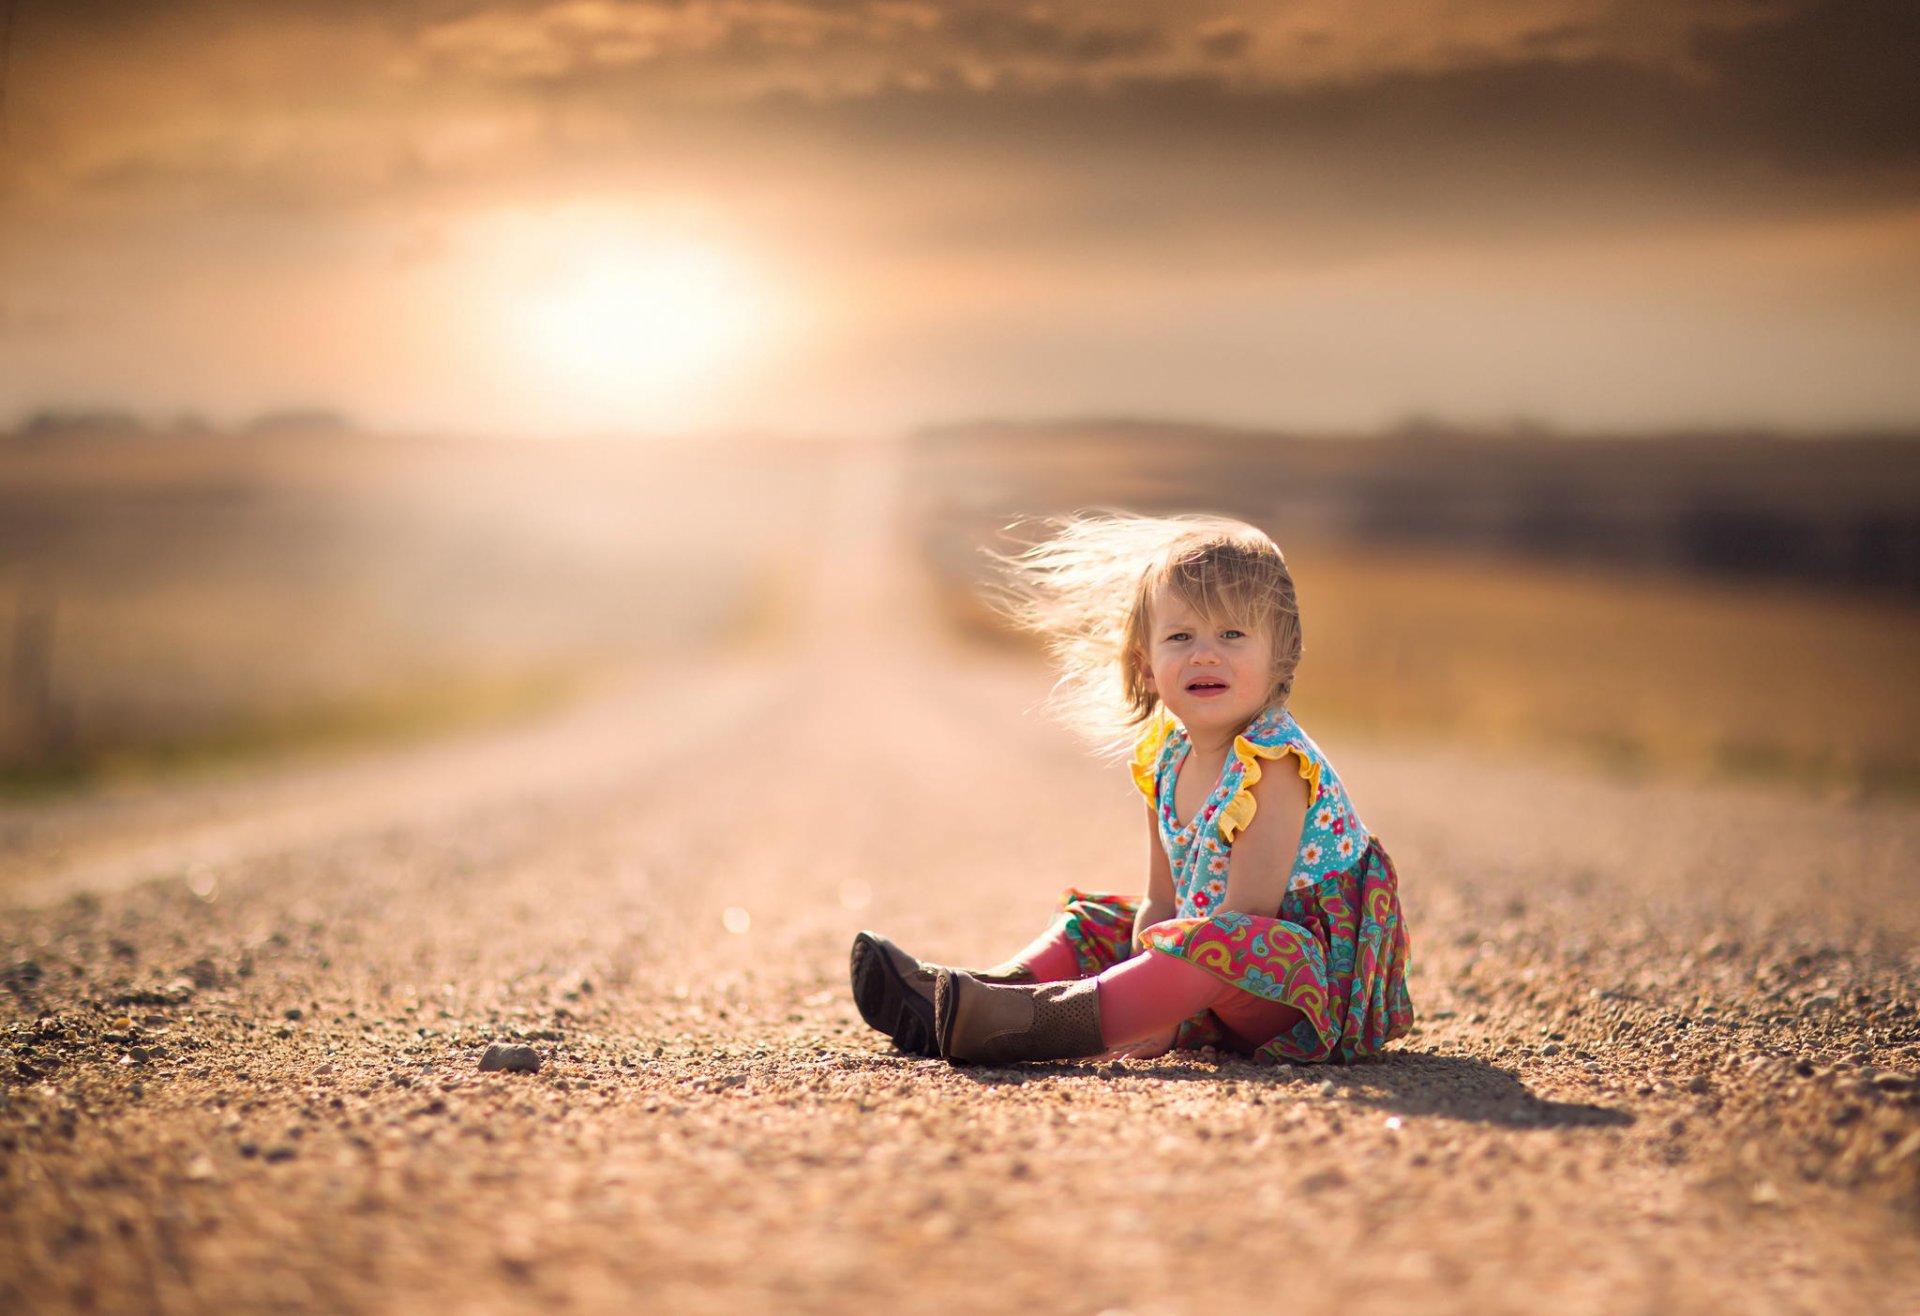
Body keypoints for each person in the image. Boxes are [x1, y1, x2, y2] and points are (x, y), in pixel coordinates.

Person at [849, 513, 1414, 1066]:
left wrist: (1163, 1015)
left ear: (1281, 655)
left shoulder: (1275, 765)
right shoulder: (1166, 760)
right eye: (1181, 636)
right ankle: (979, 998)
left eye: (1233, 634)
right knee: (1097, 924)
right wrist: (1150, 971)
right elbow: (1161, 902)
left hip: (1301, 991)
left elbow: (1250, 920)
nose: (1205, 653)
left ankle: (1031, 1026)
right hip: (1209, 964)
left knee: (1212, 945)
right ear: (1147, 665)